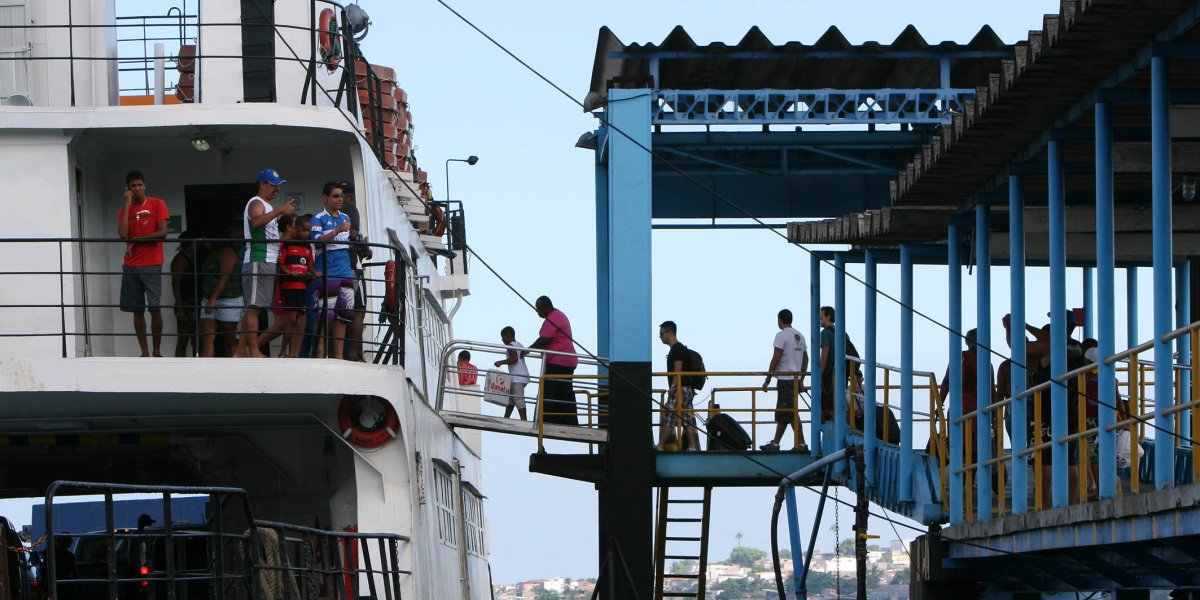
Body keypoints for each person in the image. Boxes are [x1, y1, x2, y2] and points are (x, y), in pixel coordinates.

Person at [235, 168, 294, 358]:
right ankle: (253, 351)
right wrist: (280, 211)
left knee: (256, 307)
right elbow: (256, 222)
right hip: (257, 259)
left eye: (278, 185)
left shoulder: (266, 205)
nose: (276, 188)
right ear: (262, 184)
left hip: (267, 260)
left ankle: (239, 352)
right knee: (253, 308)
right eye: (273, 184)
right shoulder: (256, 202)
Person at [117, 170, 170, 357]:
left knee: (154, 308)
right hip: (131, 264)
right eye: (133, 186)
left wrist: (137, 239)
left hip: (152, 263)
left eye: (140, 185)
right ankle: (145, 352)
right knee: (136, 310)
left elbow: (162, 233)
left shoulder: (157, 203)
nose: (138, 188)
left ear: (145, 185)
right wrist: (127, 203)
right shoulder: (125, 209)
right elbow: (123, 234)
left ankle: (156, 351)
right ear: (128, 189)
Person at [310, 182, 355, 360]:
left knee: (343, 316)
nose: (340, 199)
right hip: (327, 271)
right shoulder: (318, 218)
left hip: (345, 271)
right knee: (324, 315)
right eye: (336, 196)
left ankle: (338, 356)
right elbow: (317, 242)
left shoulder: (346, 218)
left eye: (341, 196)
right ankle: (320, 355)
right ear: (325, 197)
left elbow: (347, 243)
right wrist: (337, 230)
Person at [760, 309, 809, 452]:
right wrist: (801, 378)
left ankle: (801, 444)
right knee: (785, 412)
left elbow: (776, 358)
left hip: (785, 379)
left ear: (780, 320)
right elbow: (806, 359)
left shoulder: (781, 336)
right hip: (795, 379)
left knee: (789, 412)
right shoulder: (800, 335)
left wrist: (768, 378)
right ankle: (776, 443)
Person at [529, 296, 579, 426]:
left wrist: (527, 350)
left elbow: (545, 339)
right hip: (567, 361)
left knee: (549, 391)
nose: (537, 312)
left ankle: (545, 421)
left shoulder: (553, 317)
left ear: (545, 306)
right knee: (564, 392)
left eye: (538, 309)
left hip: (559, 361)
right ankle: (569, 421)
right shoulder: (558, 315)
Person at [339, 180, 371, 362]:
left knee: (339, 310)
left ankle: (337, 351)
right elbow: (352, 235)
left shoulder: (327, 214)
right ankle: (353, 353)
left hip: (334, 264)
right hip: (351, 265)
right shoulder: (350, 208)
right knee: (358, 309)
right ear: (351, 195)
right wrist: (362, 245)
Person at [199, 227, 244, 357]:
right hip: (208, 299)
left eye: (205, 238)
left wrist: (213, 298)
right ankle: (206, 369)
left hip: (228, 299)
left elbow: (225, 276)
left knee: (230, 340)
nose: (203, 242)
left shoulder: (227, 252)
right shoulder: (212, 252)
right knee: (207, 338)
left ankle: (233, 371)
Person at [276, 214, 316, 358]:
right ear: (296, 229)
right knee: (291, 319)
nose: (307, 233)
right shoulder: (287, 244)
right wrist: (289, 273)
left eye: (308, 231)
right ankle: (283, 350)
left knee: (300, 318)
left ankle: (292, 354)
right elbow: (281, 263)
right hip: (289, 285)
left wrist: (315, 272)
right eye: (304, 230)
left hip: (302, 286)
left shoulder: (307, 247)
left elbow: (310, 264)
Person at [657, 321, 700, 451]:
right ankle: (692, 446)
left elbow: (678, 369)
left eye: (661, 333)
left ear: (669, 333)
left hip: (680, 388)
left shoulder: (677, 349)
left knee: (669, 416)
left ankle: (660, 446)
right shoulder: (679, 349)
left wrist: (673, 386)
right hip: (687, 389)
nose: (660, 337)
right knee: (686, 418)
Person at [817, 306, 861, 422]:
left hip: (830, 373)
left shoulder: (825, 333)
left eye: (821, 316)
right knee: (840, 398)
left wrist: (820, 371)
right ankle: (844, 421)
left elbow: (825, 352)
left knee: (828, 404)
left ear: (828, 316)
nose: (819, 318)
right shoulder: (843, 333)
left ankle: (833, 422)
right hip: (843, 372)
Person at [170, 230, 202, 357]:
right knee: (183, 340)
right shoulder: (180, 260)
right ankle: (179, 368)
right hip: (187, 305)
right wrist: (180, 307)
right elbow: (175, 284)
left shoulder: (193, 258)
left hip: (197, 303)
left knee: (197, 341)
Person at [494, 327, 530, 420]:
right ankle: (506, 417)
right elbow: (526, 351)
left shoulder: (510, 346)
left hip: (517, 377)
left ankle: (524, 420)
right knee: (511, 398)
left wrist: (500, 362)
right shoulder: (519, 344)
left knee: (518, 398)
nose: (502, 340)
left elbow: (514, 359)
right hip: (523, 376)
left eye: (503, 337)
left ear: (508, 335)